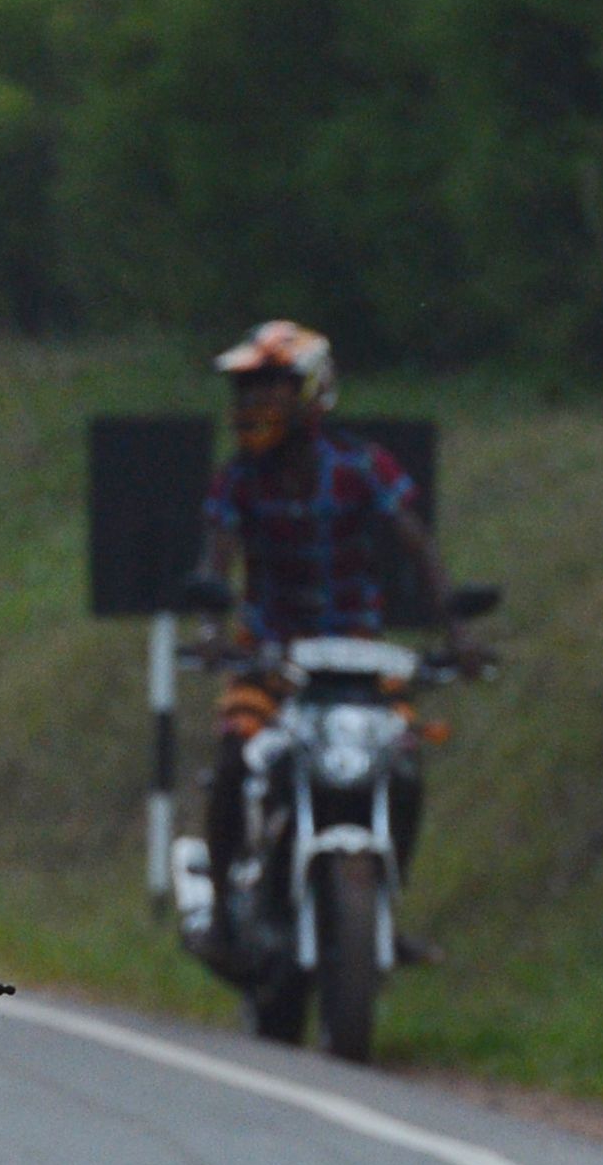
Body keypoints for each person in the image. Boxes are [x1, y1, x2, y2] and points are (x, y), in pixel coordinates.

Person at [188, 321, 472, 883]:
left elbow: (419, 547)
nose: (251, 403)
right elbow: (214, 564)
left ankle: (385, 900)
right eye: (245, 390)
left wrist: (457, 633)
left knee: (404, 763)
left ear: (310, 392)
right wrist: (211, 632)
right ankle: (225, 905)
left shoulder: (360, 465)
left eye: (269, 388)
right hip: (268, 652)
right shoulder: (237, 479)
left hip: (356, 655)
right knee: (232, 761)